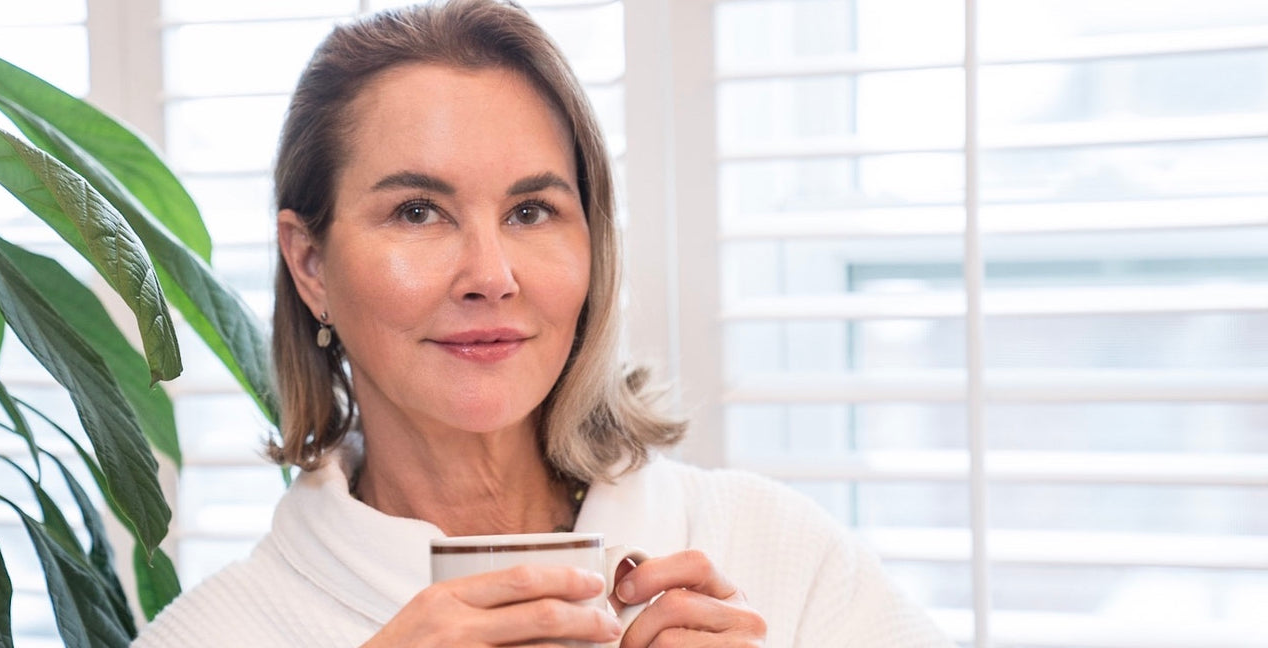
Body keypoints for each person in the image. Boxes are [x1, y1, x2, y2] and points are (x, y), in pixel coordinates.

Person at [134, 1, 952, 646]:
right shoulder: (219, 633)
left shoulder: (781, 558)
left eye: (532, 210)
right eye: (418, 212)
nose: (491, 276)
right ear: (310, 263)